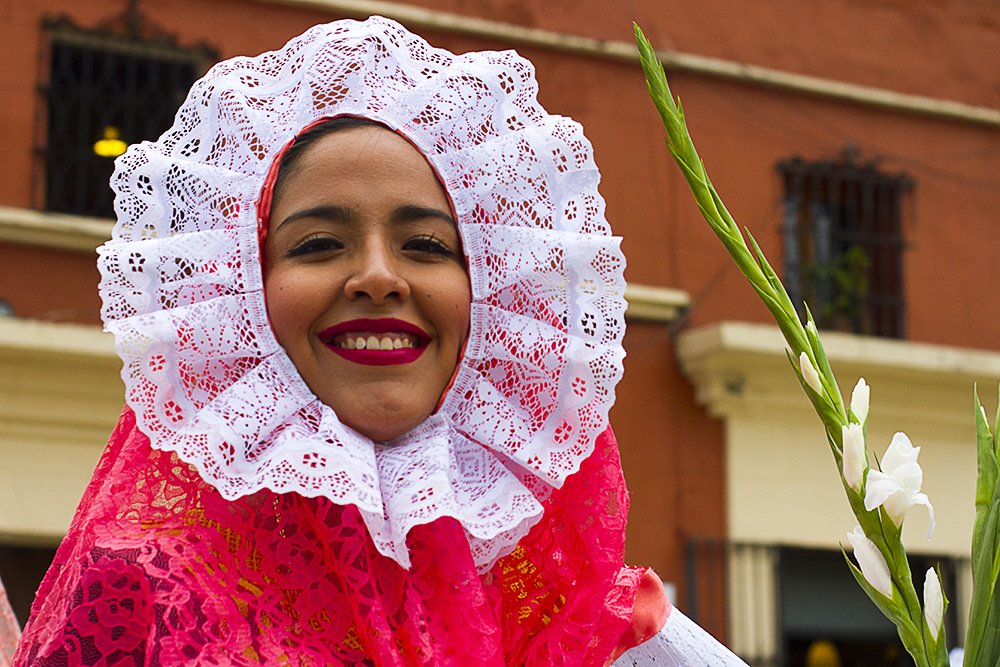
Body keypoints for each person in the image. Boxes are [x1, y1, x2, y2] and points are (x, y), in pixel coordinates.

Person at [12, 17, 746, 665]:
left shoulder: (592, 625)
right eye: (318, 244)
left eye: (426, 245)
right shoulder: (137, 593)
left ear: (497, 298)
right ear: (239, 292)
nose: (377, 276)